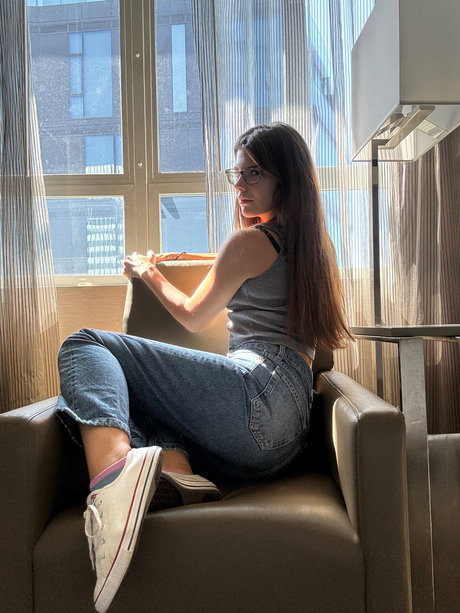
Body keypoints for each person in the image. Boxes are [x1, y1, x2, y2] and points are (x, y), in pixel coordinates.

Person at [56, 122, 352, 613]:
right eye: (237, 174)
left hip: (258, 394)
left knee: (84, 344)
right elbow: (234, 262)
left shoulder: (250, 243)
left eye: (254, 173)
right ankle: (176, 471)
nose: (240, 186)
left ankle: (111, 483)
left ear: (285, 178)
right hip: (285, 436)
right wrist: (184, 255)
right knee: (137, 392)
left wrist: (149, 271)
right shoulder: (314, 247)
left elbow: (194, 316)